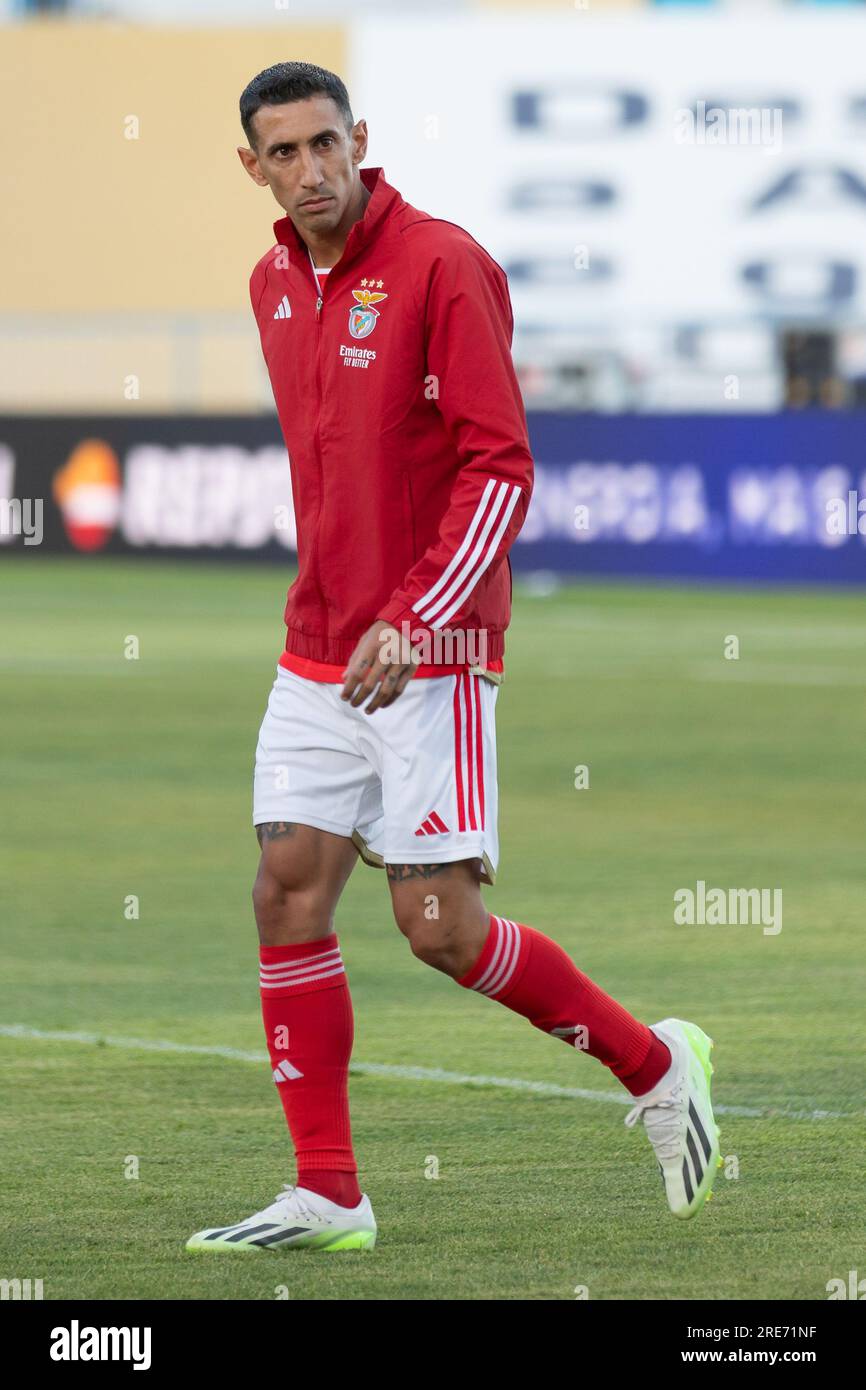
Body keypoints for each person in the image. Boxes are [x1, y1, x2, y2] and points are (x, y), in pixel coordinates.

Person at [186, 62, 720, 1255]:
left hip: (429, 650)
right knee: (283, 890)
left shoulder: (441, 263)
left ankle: (654, 1064)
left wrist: (418, 613)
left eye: (327, 143)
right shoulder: (271, 280)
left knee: (437, 925)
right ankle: (328, 1190)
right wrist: (338, 611)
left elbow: (498, 465)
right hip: (316, 648)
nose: (310, 169)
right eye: (284, 153)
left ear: (359, 139)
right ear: (252, 169)